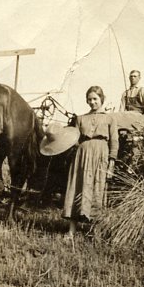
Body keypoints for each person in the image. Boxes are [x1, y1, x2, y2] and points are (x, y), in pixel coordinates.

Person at [63, 86, 119, 237]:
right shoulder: (80, 119)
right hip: (82, 155)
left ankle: (96, 231)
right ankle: (71, 230)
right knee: (77, 187)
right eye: (89, 99)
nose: (92, 102)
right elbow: (74, 139)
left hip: (101, 154)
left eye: (95, 99)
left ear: (101, 99)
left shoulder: (110, 119)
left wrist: (111, 163)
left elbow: (114, 141)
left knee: (98, 188)